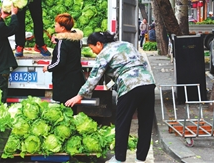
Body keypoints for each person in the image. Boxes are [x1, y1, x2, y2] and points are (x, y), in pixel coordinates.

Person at [65, 31, 156, 163]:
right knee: (146, 123)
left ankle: (119, 159)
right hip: (148, 83)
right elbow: (142, 62)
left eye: (92, 48)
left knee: (122, 123)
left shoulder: (104, 53)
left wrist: (80, 95)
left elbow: (94, 76)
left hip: (130, 85)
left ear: (99, 44)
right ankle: (140, 159)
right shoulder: (126, 44)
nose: (94, 52)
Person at [42, 13, 85, 114]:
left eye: (56, 24)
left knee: (63, 109)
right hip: (75, 79)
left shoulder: (62, 42)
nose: (54, 26)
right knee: (71, 107)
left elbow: (59, 62)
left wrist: (48, 68)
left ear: (62, 28)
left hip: (64, 81)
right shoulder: (77, 40)